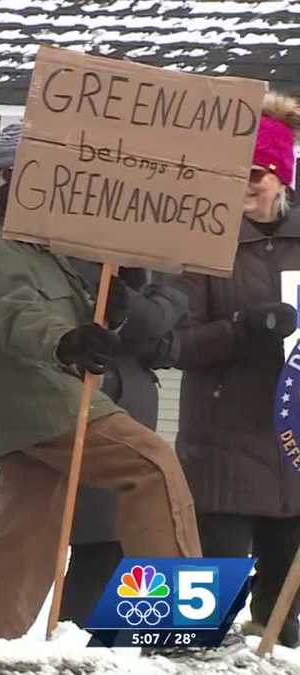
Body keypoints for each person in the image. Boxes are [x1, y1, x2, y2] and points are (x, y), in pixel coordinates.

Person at [0, 123, 202, 647]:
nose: (38, 186)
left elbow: (86, 312)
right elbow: (11, 311)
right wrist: (65, 342)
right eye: (23, 174)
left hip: (37, 407)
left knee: (25, 535)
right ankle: (179, 626)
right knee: (151, 465)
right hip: (40, 398)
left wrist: (125, 290)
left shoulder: (46, 245)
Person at [171, 91, 300, 647]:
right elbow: (173, 345)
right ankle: (142, 652)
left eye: (257, 173)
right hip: (220, 445)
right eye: (234, 173)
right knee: (183, 621)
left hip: (293, 451)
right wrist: (243, 326)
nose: (245, 184)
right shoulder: (201, 244)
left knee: (282, 630)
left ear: (282, 177)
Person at [58, 265, 189, 626]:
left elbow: (166, 330)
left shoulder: (166, 269)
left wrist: (129, 305)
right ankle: (76, 637)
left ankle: (152, 633)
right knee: (95, 543)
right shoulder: (73, 257)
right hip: (88, 401)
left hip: (135, 405)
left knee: (123, 544)